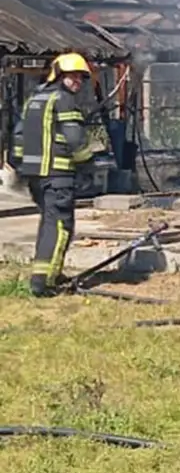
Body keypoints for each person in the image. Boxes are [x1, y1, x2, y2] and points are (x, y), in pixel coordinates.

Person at [12, 52, 95, 297]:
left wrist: (19, 165)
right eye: (73, 76)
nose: (77, 81)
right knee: (60, 226)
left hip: (36, 177)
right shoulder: (64, 100)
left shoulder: (34, 99)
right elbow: (75, 139)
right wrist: (87, 165)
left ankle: (48, 273)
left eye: (80, 77)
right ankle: (44, 283)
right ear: (58, 75)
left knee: (49, 224)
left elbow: (18, 136)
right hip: (58, 175)